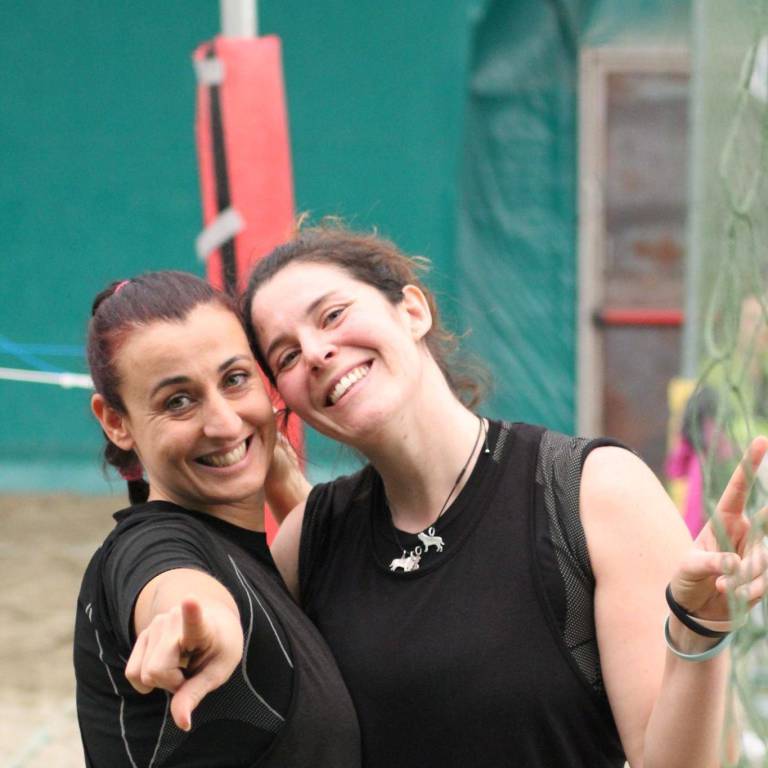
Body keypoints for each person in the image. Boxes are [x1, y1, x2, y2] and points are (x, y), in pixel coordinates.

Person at [239, 226, 768, 768]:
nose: (316, 352)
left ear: (412, 310)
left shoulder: (590, 492)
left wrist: (698, 635)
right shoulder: (312, 539)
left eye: (331, 315)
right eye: (285, 357)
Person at [74, 271, 361, 768]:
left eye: (235, 380)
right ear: (116, 422)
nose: (225, 423)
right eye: (178, 401)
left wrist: (279, 471)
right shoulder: (147, 545)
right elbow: (170, 582)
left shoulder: (264, 554)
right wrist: (202, 622)